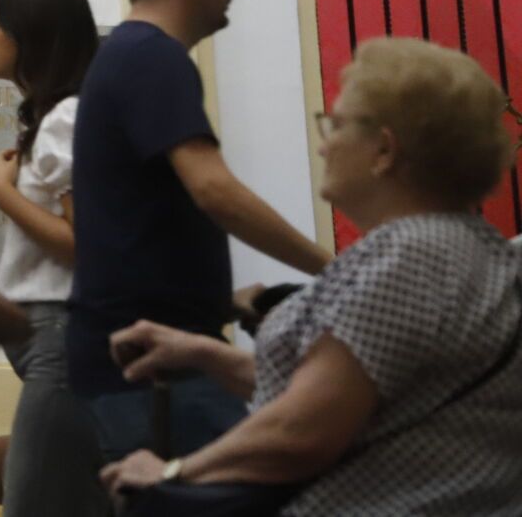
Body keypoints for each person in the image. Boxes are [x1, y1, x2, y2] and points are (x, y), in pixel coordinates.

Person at [101, 38, 522, 515]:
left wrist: (173, 473)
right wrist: (205, 355)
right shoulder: (473, 249)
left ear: (383, 149)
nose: (324, 144)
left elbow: (303, 431)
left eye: (336, 124)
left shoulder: (412, 255)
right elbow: (355, 391)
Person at [68, 0, 334, 460]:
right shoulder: (152, 58)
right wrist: (337, 270)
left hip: (152, 355)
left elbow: (141, 218)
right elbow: (215, 192)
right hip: (158, 370)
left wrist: (220, 298)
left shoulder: (130, 55)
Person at [0, 0, 110, 517]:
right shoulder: (51, 116)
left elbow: (86, 246)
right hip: (48, 338)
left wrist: (1, 193)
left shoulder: (67, 119)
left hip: (62, 334)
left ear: (30, 35)